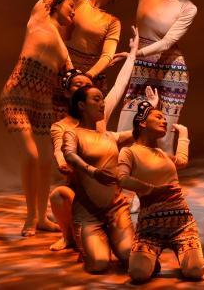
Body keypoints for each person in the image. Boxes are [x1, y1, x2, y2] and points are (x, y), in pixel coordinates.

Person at [0, 0, 82, 236]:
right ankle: (30, 217)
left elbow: (73, 81)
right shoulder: (39, 18)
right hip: (17, 97)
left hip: (43, 104)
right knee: (31, 155)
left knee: (46, 160)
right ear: (58, 4)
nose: (73, 12)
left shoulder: (64, 52)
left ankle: (42, 217)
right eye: (71, 6)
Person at [117, 0, 204, 154]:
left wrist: (134, 54)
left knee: (164, 137)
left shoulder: (189, 8)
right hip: (141, 64)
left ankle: (165, 177)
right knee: (126, 129)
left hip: (170, 69)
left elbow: (167, 43)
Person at [49, 26, 143, 251]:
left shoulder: (99, 112)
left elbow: (120, 85)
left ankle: (108, 230)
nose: (84, 88)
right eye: (78, 86)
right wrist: (63, 162)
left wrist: (132, 53)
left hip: (107, 188)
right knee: (59, 195)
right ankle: (68, 236)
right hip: (82, 188)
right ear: (69, 93)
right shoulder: (61, 126)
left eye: (87, 86)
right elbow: (59, 149)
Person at [118, 101, 204, 283]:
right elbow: (122, 179)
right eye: (158, 117)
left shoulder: (161, 153)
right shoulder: (129, 152)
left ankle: (189, 256)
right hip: (150, 227)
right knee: (138, 274)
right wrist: (151, 189)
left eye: (165, 118)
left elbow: (181, 161)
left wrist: (183, 134)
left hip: (181, 224)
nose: (164, 121)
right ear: (142, 123)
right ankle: (149, 259)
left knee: (195, 271)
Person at [62, 85, 137, 273]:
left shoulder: (110, 136)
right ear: (81, 105)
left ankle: (113, 238)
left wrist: (148, 108)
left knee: (130, 256)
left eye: (102, 99)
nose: (102, 104)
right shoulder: (73, 133)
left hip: (116, 207)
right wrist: (93, 171)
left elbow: (138, 132)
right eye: (96, 99)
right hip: (88, 212)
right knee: (98, 264)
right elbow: (69, 155)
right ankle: (93, 242)